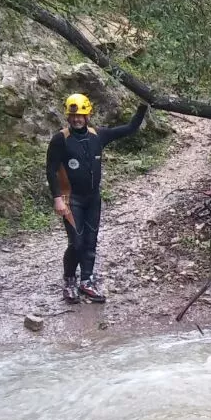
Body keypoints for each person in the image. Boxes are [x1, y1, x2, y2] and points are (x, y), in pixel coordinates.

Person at [46, 93, 149, 303]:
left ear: (87, 115)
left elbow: (130, 129)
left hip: (93, 199)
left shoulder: (97, 135)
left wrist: (144, 105)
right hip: (70, 199)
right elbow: (51, 170)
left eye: (81, 115)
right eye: (73, 116)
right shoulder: (60, 139)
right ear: (68, 116)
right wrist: (57, 197)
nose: (77, 119)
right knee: (76, 243)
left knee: (90, 242)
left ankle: (87, 281)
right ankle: (69, 281)